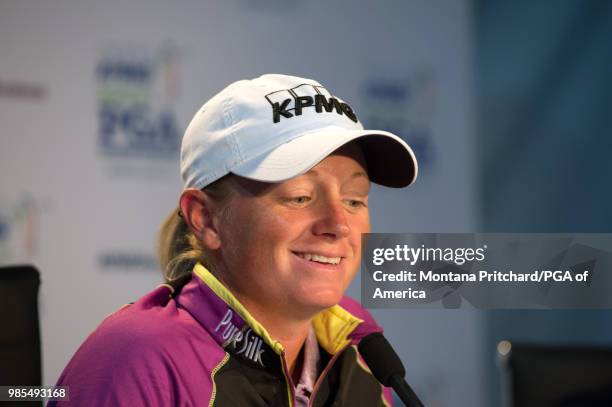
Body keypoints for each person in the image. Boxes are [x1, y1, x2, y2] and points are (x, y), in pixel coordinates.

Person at [50, 74, 417, 406]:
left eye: (354, 200)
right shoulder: (135, 359)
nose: (338, 225)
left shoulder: (360, 348)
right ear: (205, 219)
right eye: (300, 196)